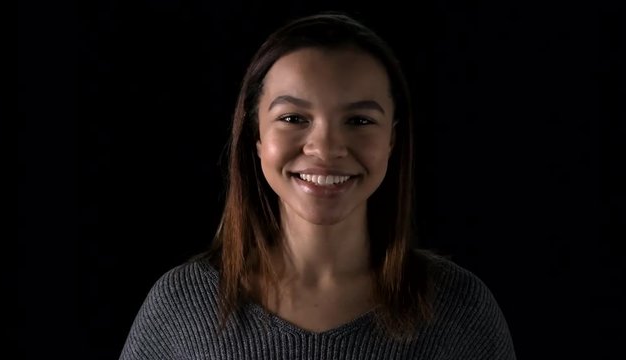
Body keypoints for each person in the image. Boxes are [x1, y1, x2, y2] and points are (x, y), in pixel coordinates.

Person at [119, 12, 516, 360]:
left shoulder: (461, 309)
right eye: (293, 118)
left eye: (359, 121)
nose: (325, 148)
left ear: (393, 140)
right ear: (256, 135)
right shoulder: (181, 307)